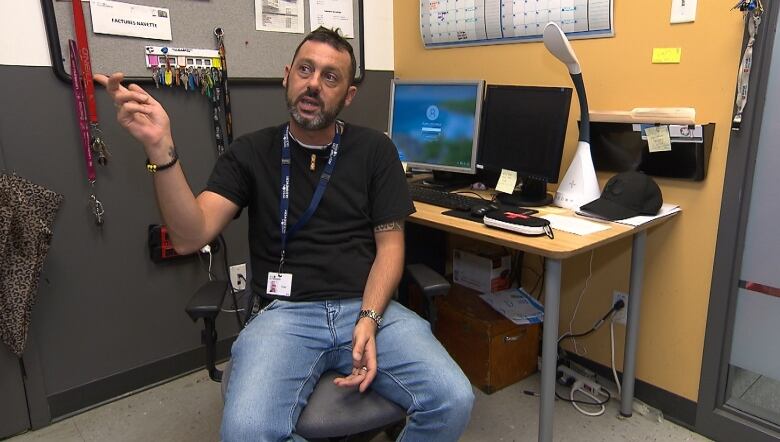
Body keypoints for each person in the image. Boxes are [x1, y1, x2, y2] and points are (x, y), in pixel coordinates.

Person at [95, 27, 474, 441]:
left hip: (366, 308)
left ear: (348, 96)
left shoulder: (376, 151)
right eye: (305, 70)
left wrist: (369, 317)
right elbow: (190, 235)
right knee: (246, 432)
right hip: (286, 315)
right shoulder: (250, 153)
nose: (313, 84)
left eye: (330, 77)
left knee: (453, 397)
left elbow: (390, 248)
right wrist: (160, 147)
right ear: (287, 76)